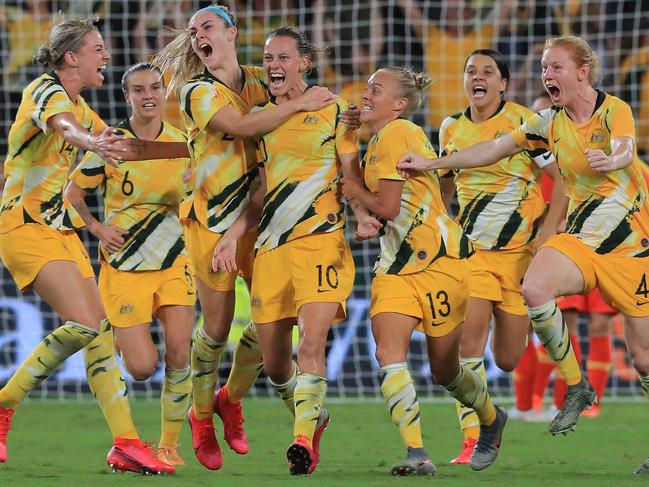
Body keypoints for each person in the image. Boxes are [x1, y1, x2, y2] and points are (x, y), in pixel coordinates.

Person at [398, 36, 649, 475]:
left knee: (644, 356)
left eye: (555, 67)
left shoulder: (614, 110)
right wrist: (432, 164)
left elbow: (627, 147)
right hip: (579, 240)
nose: (547, 75)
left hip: (631, 247)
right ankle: (576, 386)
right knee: (535, 287)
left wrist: (613, 159)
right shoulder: (546, 122)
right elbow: (493, 149)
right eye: (544, 68)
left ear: (582, 71)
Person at [152, 4, 342, 471]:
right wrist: (302, 103)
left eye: (208, 27)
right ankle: (201, 417)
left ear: (232, 33)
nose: (199, 35)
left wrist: (340, 112)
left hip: (263, 220)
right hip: (212, 223)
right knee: (216, 331)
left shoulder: (262, 77)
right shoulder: (195, 90)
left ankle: (231, 398)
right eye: (194, 31)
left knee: (268, 322)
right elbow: (237, 128)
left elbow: (298, 96)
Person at [0, 17, 173, 475]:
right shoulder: (45, 91)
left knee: (98, 332)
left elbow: (128, 146)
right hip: (23, 225)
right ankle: (3, 404)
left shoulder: (82, 108)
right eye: (98, 48)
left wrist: (195, 148)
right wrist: (90, 140)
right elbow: (65, 128)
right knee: (83, 322)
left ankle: (126, 443)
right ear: (71, 57)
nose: (107, 56)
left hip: (60, 231)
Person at [211, 26, 380, 476]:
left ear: (304, 62)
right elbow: (260, 192)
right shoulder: (261, 120)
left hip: (321, 243)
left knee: (312, 339)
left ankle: (302, 440)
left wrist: (363, 213)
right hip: (270, 248)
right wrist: (232, 233)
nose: (274, 66)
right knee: (275, 363)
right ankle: (307, 415)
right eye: (268, 59)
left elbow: (351, 172)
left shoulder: (333, 110)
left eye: (283, 58)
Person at [340, 65, 507, 475]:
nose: (366, 94)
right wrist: (348, 147)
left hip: (439, 264)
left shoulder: (398, 133)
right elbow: (366, 195)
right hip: (396, 267)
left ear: (398, 103)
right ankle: (417, 453)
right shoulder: (380, 137)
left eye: (375, 90)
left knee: (445, 370)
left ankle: (490, 417)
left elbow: (387, 207)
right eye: (367, 87)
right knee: (389, 354)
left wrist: (354, 192)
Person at [436, 49, 566, 464]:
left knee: (508, 359)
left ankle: (500, 411)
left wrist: (545, 238)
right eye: (470, 70)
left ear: (503, 83)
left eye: (488, 72)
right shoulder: (450, 128)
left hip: (519, 259)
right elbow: (445, 189)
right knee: (467, 345)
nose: (478, 77)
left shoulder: (524, 122)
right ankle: (473, 439)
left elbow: (561, 180)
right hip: (470, 254)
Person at [65, 63, 194, 466]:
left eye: (155, 87)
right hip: (124, 265)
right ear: (127, 97)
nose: (149, 95)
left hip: (175, 260)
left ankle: (169, 447)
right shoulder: (111, 142)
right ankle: (118, 338)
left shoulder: (183, 142)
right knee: (141, 368)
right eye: (139, 90)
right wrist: (97, 228)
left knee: (179, 353)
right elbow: (72, 194)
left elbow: (198, 193)